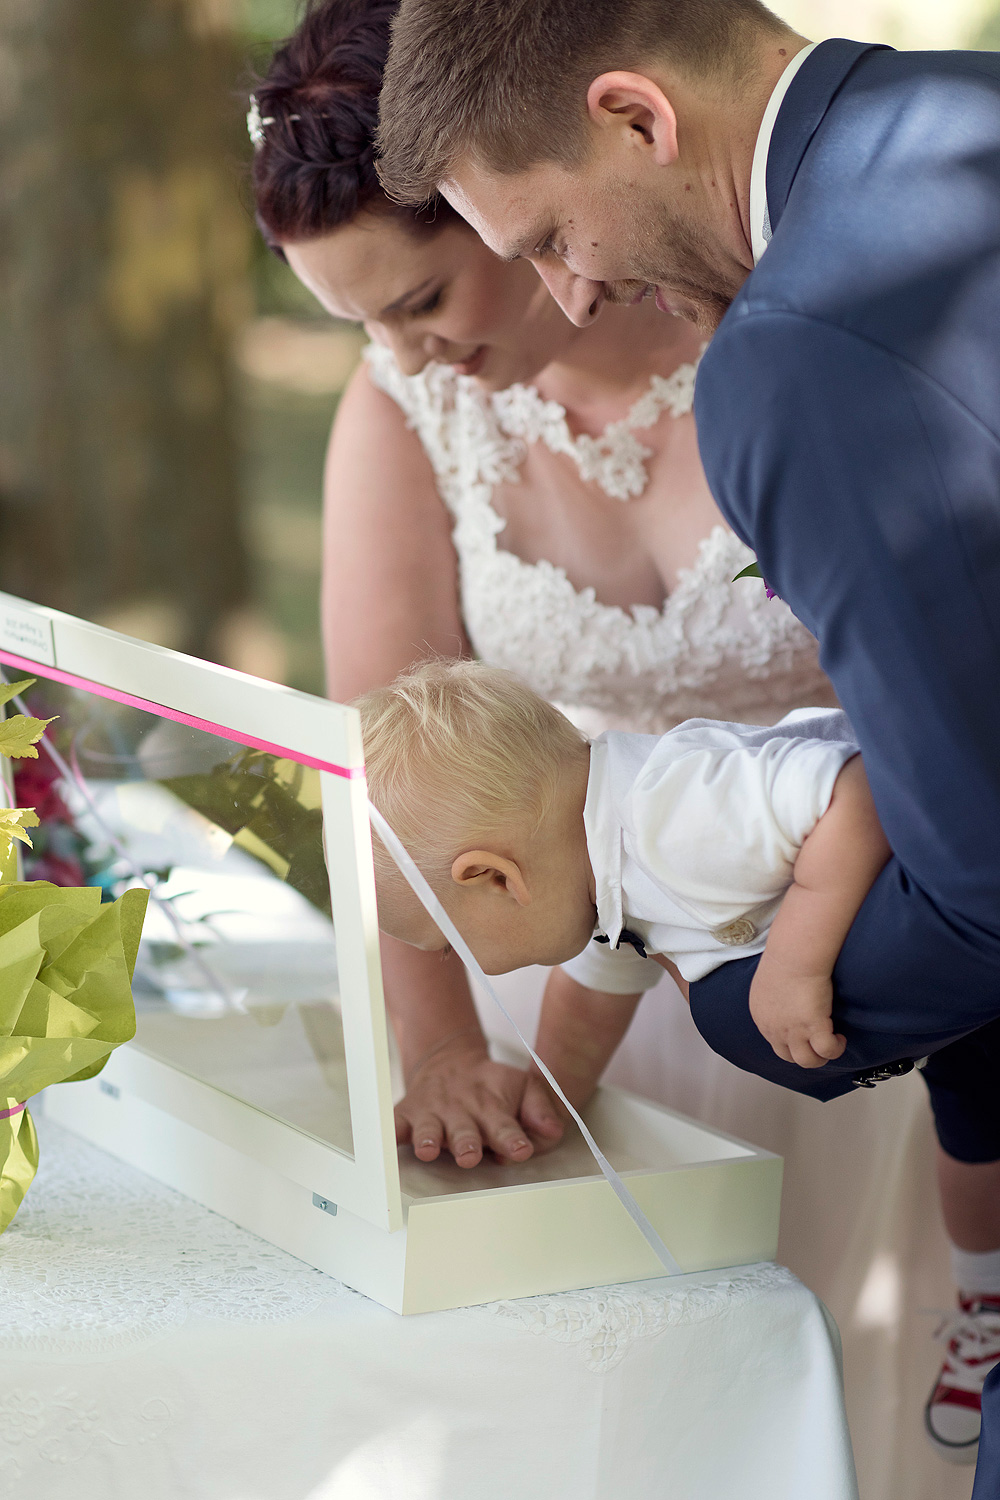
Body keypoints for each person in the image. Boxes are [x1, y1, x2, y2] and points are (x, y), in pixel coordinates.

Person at [374, 0, 1000, 1479]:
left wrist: (724, 1009)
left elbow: (978, 877)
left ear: (637, 118)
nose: (570, 299)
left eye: (548, 237)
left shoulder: (802, 363)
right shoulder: (969, 120)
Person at [248, 0, 833, 1175]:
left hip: (831, 953)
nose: (406, 358)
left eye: (418, 302)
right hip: (554, 974)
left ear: (496, 196)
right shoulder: (407, 402)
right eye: (358, 324)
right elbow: (381, 763)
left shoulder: (791, 342)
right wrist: (448, 1054)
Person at [358, 660, 890, 1083]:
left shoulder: (670, 814)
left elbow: (860, 795)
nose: (458, 961)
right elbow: (596, 995)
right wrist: (547, 1101)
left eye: (449, 944)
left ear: (496, 878)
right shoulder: (589, 866)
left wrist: (795, 968)